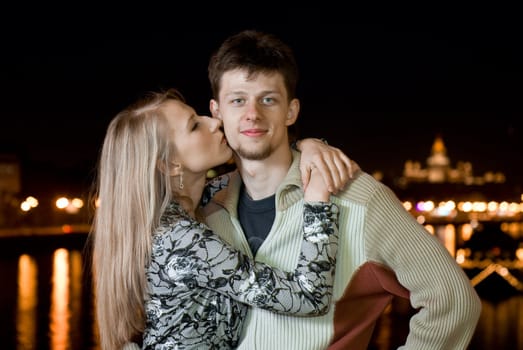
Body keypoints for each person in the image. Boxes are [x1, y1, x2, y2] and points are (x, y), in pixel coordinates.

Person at [203, 29, 482, 349]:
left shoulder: (357, 199)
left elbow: (453, 304)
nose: (253, 113)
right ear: (217, 112)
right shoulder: (206, 204)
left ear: (291, 111)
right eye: (238, 100)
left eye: (268, 99)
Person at [90, 88, 355, 349]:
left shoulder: (193, 206)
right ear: (171, 164)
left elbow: (266, 163)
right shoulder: (182, 239)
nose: (215, 122)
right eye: (194, 126)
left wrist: (309, 146)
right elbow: (310, 297)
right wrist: (318, 199)